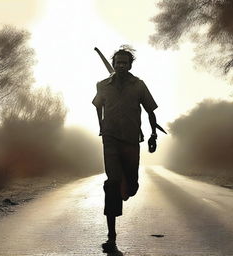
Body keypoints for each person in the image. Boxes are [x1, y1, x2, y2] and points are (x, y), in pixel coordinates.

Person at [92, 48, 158, 253]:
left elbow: (150, 111)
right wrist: (101, 125)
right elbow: (97, 105)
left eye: (125, 63)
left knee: (130, 187)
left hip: (131, 140)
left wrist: (153, 134)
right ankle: (111, 235)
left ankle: (127, 186)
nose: (121, 66)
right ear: (114, 63)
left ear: (130, 65)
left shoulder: (138, 85)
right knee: (112, 183)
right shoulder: (102, 85)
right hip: (110, 139)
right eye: (118, 62)